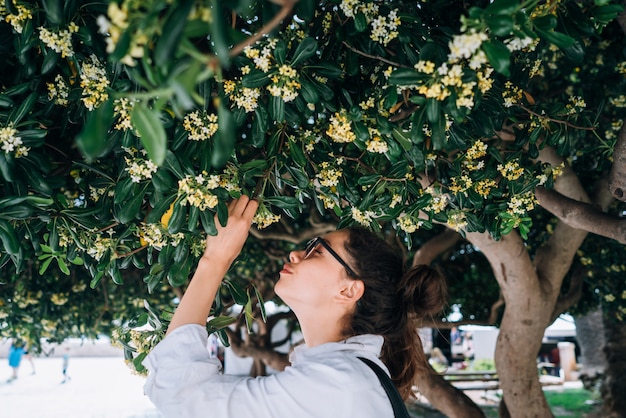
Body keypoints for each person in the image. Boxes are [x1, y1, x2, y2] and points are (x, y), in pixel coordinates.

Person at [143, 196, 448, 417]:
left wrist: (216, 259)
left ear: (349, 290)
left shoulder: (337, 382)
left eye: (317, 250)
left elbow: (178, 394)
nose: (294, 254)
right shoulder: (347, 377)